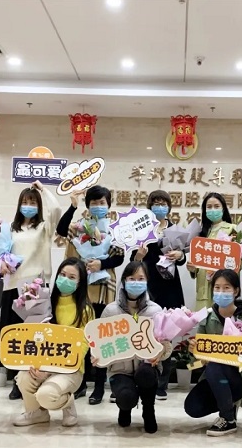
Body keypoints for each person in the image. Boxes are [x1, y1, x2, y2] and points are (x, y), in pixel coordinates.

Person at [56, 185, 125, 405]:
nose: (98, 206)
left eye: (102, 202)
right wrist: (72, 206)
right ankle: (80, 383)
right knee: (81, 335)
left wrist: (101, 264)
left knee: (101, 338)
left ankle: (99, 386)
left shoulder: (115, 228)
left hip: (104, 288)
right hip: (82, 289)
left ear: (109, 204)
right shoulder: (80, 225)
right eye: (94, 203)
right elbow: (61, 230)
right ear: (88, 205)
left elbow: (120, 257)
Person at [0, 181, 62, 400]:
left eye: (33, 202)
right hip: (12, 286)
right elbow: (0, 253)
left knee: (33, 337)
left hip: (35, 288)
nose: (28, 206)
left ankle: (31, 379)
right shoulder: (9, 229)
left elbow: (56, 209)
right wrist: (1, 264)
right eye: (25, 202)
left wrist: (42, 189)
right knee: (14, 335)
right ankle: (17, 380)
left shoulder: (44, 227)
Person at [13, 258, 94, 427]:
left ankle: (68, 404)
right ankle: (36, 413)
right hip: (43, 364)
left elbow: (82, 347)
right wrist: (37, 365)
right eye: (62, 275)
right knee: (23, 378)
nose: (65, 279)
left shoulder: (85, 310)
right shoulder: (45, 304)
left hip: (71, 369)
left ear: (80, 282)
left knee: (46, 395)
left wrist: (51, 371)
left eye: (72, 277)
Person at [98, 261, 172, 433]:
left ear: (147, 281)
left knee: (145, 374)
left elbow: (167, 345)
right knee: (126, 398)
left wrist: (160, 352)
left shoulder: (156, 311)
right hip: (119, 370)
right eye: (131, 278)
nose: (136, 282)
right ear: (124, 280)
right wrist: (99, 358)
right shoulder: (110, 311)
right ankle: (125, 408)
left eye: (141, 278)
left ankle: (148, 410)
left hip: (147, 367)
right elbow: (99, 342)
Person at [184, 269, 242, 437]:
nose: (221, 292)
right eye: (217, 288)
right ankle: (228, 403)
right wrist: (195, 352)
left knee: (216, 365)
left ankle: (228, 418)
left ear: (236, 291)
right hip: (215, 377)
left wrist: (231, 358)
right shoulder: (206, 318)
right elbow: (194, 365)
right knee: (192, 407)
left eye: (226, 288)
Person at [131, 190, 186, 400]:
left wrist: (180, 254)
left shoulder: (174, 229)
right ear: (150, 206)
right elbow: (133, 261)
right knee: (144, 332)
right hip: (147, 284)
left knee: (167, 336)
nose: (160, 206)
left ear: (169, 207)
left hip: (170, 287)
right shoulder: (142, 229)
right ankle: (143, 379)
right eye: (156, 203)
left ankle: (162, 384)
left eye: (163, 203)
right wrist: (139, 255)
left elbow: (183, 259)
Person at [187, 193, 236, 311]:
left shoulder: (232, 229)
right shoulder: (200, 232)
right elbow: (197, 263)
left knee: (222, 319)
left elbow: (240, 262)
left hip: (222, 289)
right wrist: (192, 269)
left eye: (216, 206)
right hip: (203, 290)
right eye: (209, 207)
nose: (213, 210)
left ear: (223, 208)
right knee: (203, 320)